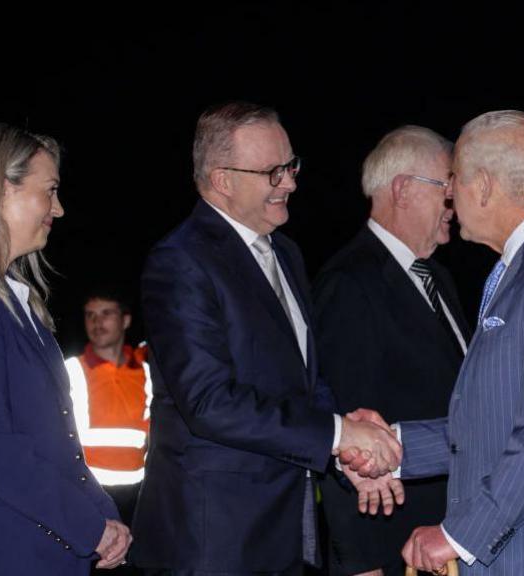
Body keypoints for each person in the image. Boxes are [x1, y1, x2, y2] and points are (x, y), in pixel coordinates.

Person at [130, 101, 402, 575]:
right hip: (215, 542)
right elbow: (210, 402)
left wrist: (345, 443)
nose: (291, 183)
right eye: (273, 172)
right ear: (222, 180)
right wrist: (338, 435)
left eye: (291, 166)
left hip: (284, 529)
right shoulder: (181, 262)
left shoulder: (287, 254)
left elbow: (302, 379)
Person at [371, 110, 524, 575]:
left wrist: (460, 535)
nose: (450, 193)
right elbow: (490, 423)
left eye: (454, 177)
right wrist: (390, 447)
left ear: (483, 185)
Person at [0, 122, 131, 574]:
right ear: (3, 190)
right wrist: (88, 525)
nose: (58, 210)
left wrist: (104, 514)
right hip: (6, 553)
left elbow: (59, 442)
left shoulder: (20, 304)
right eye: (50, 191)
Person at [312, 126, 470, 576]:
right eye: (447, 186)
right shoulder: (349, 283)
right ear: (402, 189)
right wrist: (358, 563)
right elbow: (342, 429)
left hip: (445, 536)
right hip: (390, 548)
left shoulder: (440, 279)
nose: (454, 203)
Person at [65, 287, 152, 551]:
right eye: (90, 315)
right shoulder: (69, 369)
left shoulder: (148, 372)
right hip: (87, 498)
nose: (96, 322)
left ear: (125, 320)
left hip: (139, 501)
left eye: (106, 314)